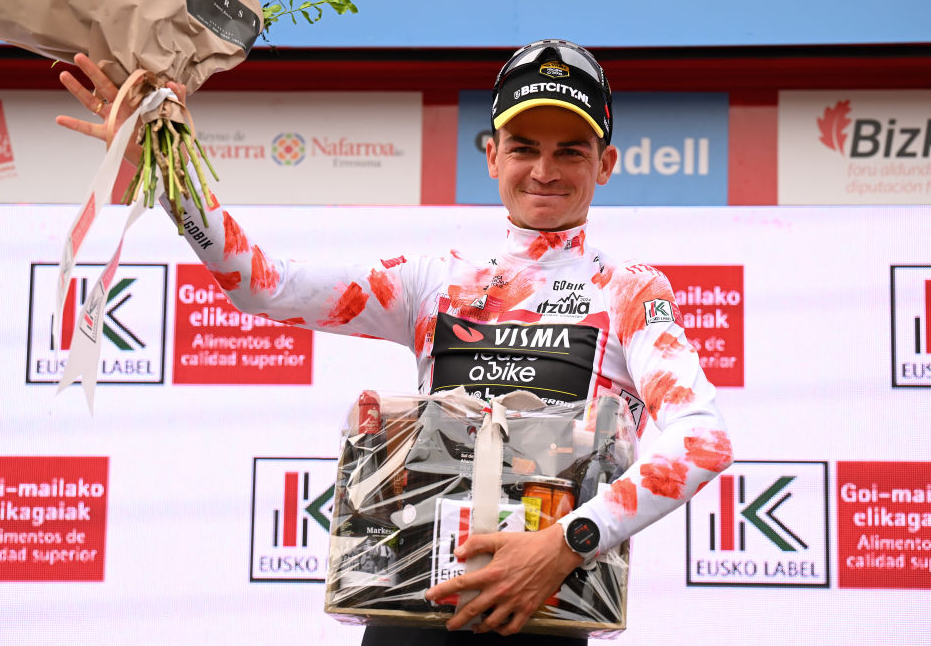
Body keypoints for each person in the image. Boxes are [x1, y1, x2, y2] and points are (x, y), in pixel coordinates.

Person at [57, 39, 733, 644]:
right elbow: (262, 284)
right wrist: (166, 164)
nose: (545, 171)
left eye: (571, 150)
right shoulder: (436, 282)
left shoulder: (626, 291)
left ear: (606, 162)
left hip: (546, 615)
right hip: (411, 612)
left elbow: (702, 439)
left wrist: (566, 542)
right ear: (491, 154)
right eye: (524, 147)